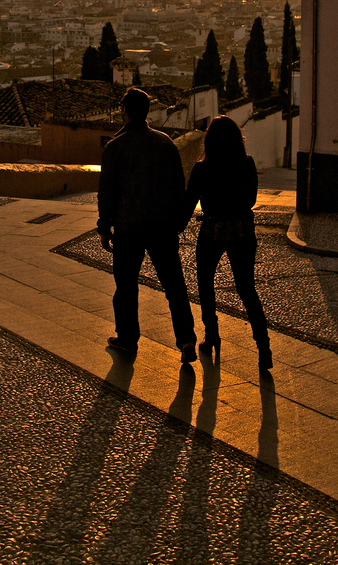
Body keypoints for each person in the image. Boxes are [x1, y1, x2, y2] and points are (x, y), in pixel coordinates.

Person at [98, 87, 197, 364]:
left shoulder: (115, 147)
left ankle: (128, 339)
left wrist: (104, 226)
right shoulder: (165, 143)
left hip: (128, 228)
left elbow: (107, 191)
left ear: (125, 111)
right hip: (162, 227)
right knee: (174, 285)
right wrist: (177, 222)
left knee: (126, 287)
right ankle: (186, 338)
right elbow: (178, 186)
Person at [182, 115, 272, 371]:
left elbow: (188, 204)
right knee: (247, 290)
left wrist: (174, 228)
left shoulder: (202, 169)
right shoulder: (247, 164)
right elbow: (251, 200)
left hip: (212, 231)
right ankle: (263, 347)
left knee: (205, 285)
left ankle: (212, 335)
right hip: (243, 231)